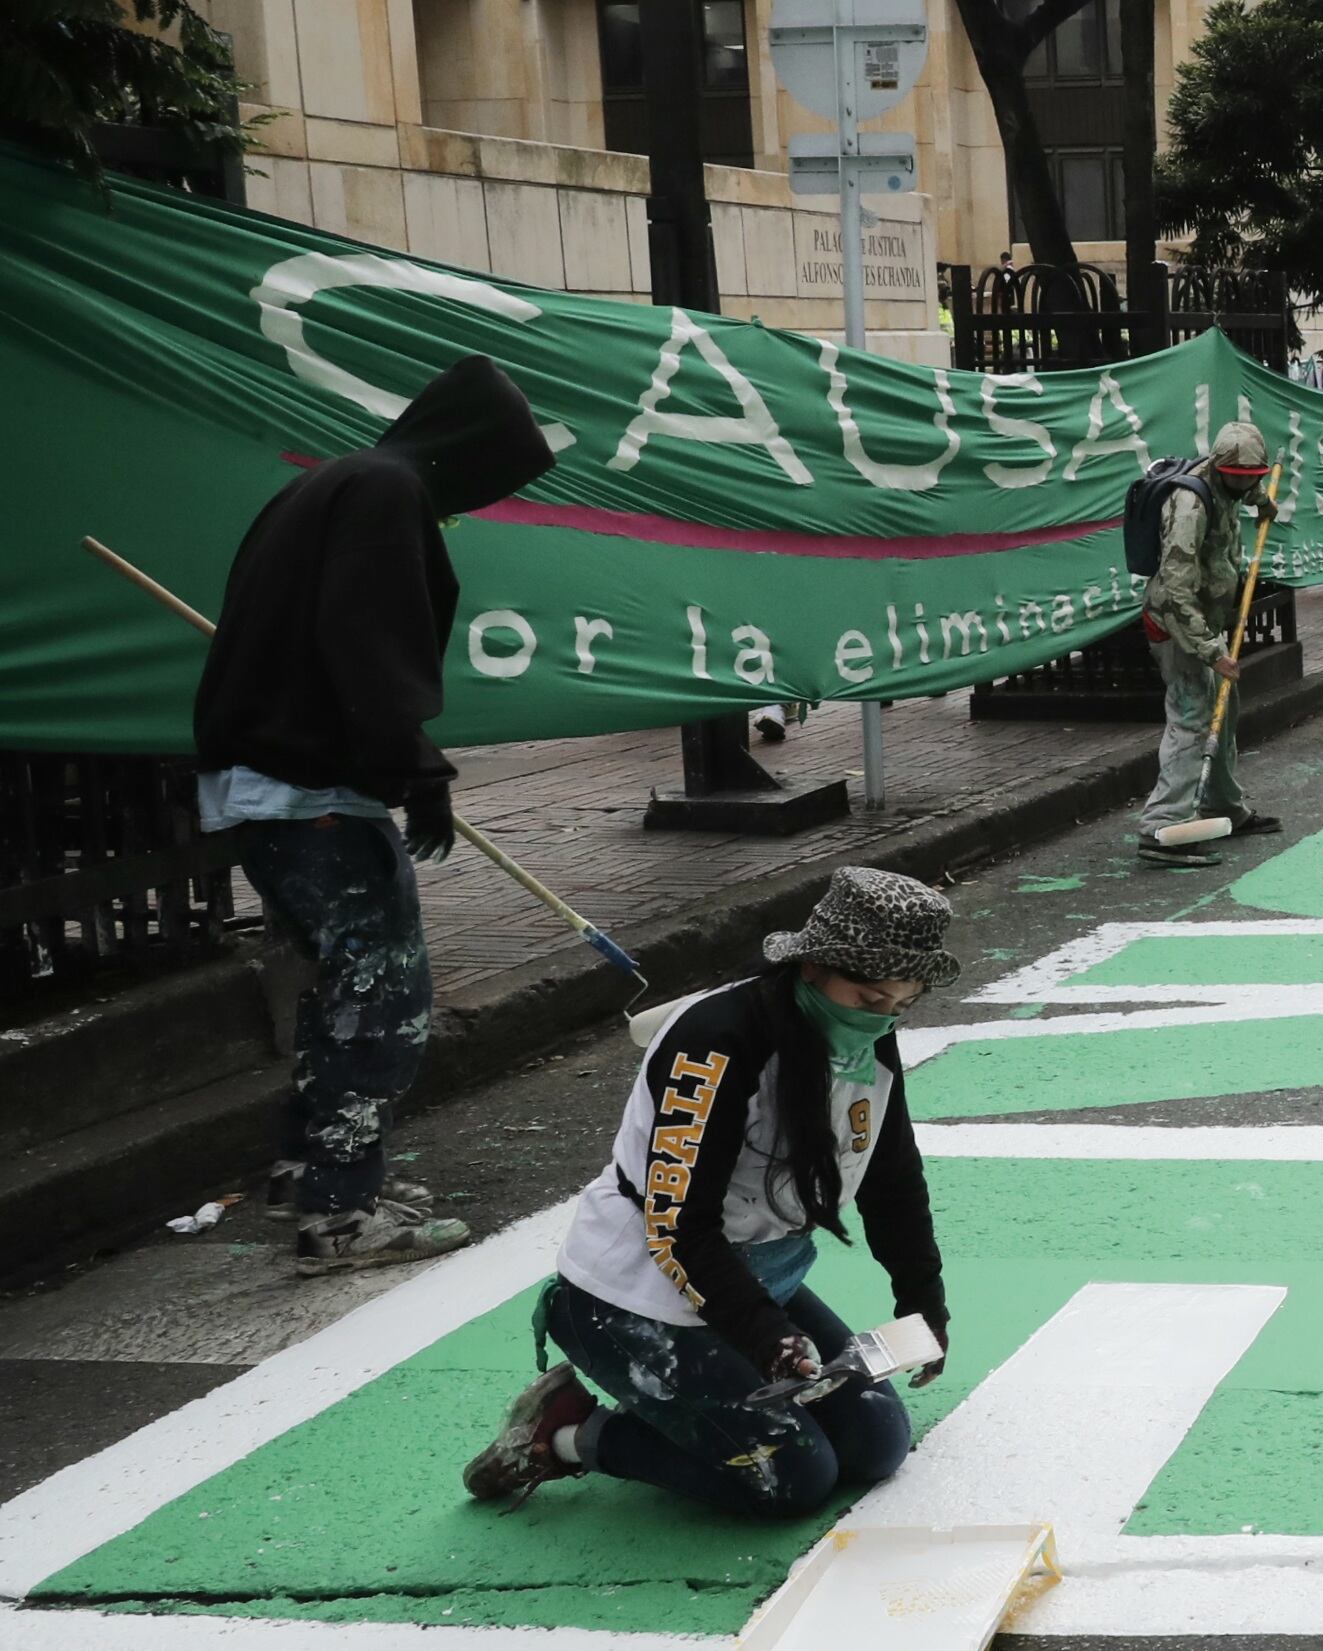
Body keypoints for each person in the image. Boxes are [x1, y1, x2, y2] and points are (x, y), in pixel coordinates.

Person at [193, 354, 555, 1273]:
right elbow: (365, 635)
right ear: (468, 452)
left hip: (271, 786)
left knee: (342, 990)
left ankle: (310, 1171)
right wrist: (412, 764)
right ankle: (340, 1214)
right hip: (310, 789)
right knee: (385, 998)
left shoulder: (336, 483)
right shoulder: (385, 494)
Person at [460, 868, 957, 1512]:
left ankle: (718, 1381)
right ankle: (567, 1433)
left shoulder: (865, 1043)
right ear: (811, 967)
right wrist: (769, 1338)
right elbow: (678, 1228)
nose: (881, 1020)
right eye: (867, 1000)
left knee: (875, 1445)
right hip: (639, 1294)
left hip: (754, 1279)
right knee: (791, 1483)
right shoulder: (715, 1044)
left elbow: (893, 1182)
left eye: (901, 1004)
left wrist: (924, 1303)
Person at [1134, 421, 1282, 869]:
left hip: (1209, 621)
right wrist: (1211, 651)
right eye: (1242, 478)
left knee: (1225, 713)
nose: (1247, 484)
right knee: (1194, 719)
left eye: (1254, 478)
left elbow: (1246, 488)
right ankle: (1162, 828)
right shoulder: (1189, 507)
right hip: (1179, 628)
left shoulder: (1232, 484)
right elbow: (1176, 594)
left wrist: (1262, 500)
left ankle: (1223, 807)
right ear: (1220, 468)